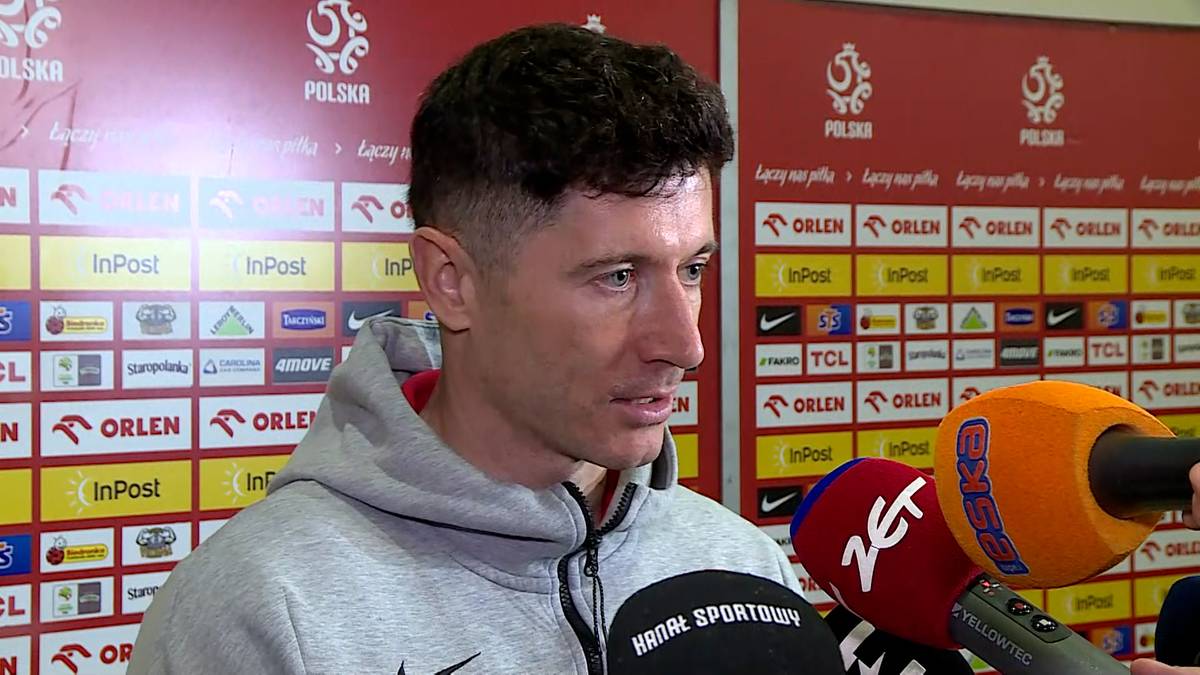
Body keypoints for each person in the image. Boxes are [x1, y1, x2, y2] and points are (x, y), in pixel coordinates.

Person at [128, 23, 802, 674]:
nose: (685, 345)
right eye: (618, 277)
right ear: (451, 281)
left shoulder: (744, 572)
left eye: (692, 269)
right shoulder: (264, 610)